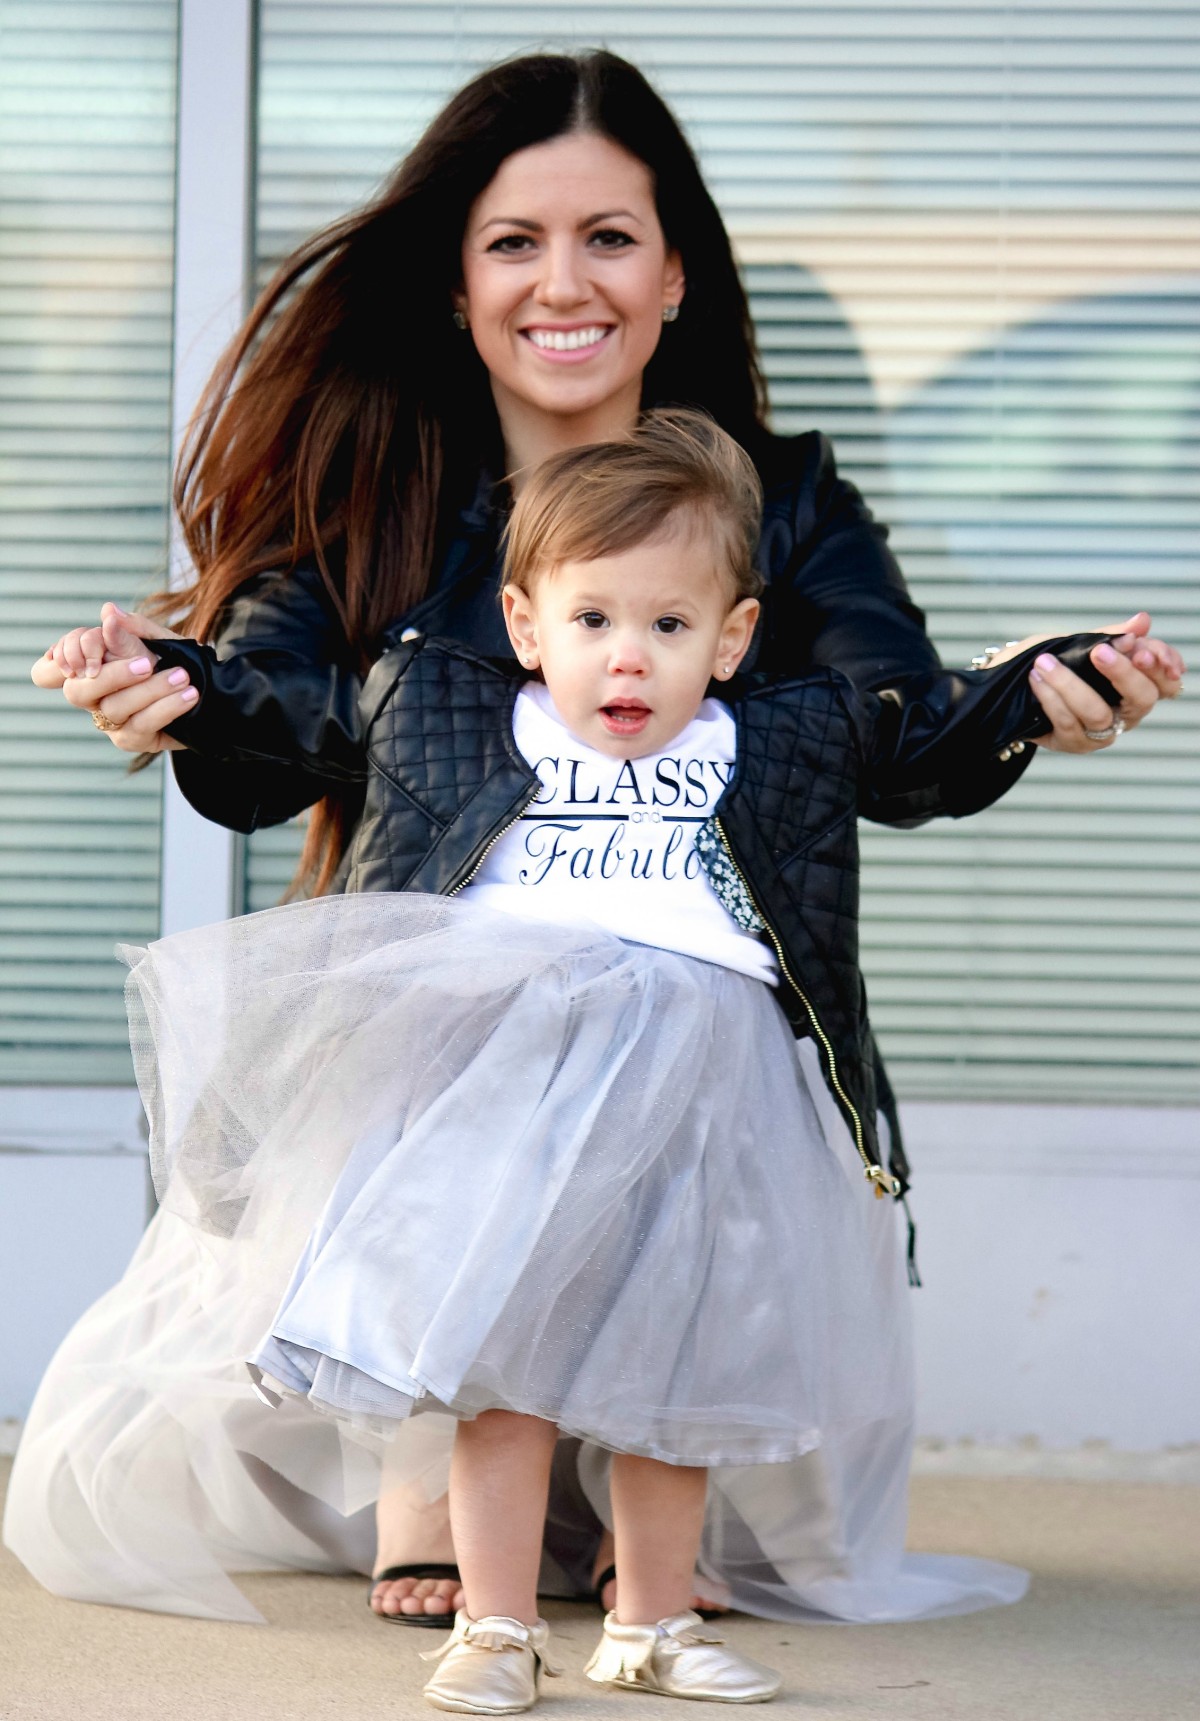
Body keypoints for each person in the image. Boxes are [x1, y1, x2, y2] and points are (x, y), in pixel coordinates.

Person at [16, 50, 1183, 1634]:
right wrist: (187, 694)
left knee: (684, 1385)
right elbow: (279, 720)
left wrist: (1033, 705)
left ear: (677, 269)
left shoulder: (781, 500)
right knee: (472, 1146)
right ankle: (425, 1465)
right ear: (457, 281)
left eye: (611, 238)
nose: (565, 283)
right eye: (515, 242)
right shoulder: (385, 491)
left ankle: (616, 1503)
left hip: (688, 1044)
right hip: (440, 1059)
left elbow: (894, 726)